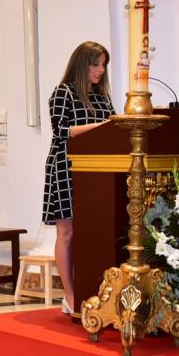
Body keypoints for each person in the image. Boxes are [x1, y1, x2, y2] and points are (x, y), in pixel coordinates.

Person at [41, 41, 115, 315]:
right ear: (81, 65)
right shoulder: (64, 92)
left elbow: (112, 131)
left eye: (103, 64)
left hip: (97, 173)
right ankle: (70, 295)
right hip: (65, 167)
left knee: (93, 233)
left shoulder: (103, 97)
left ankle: (94, 291)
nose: (100, 70)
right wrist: (103, 126)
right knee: (68, 232)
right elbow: (62, 131)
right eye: (95, 64)